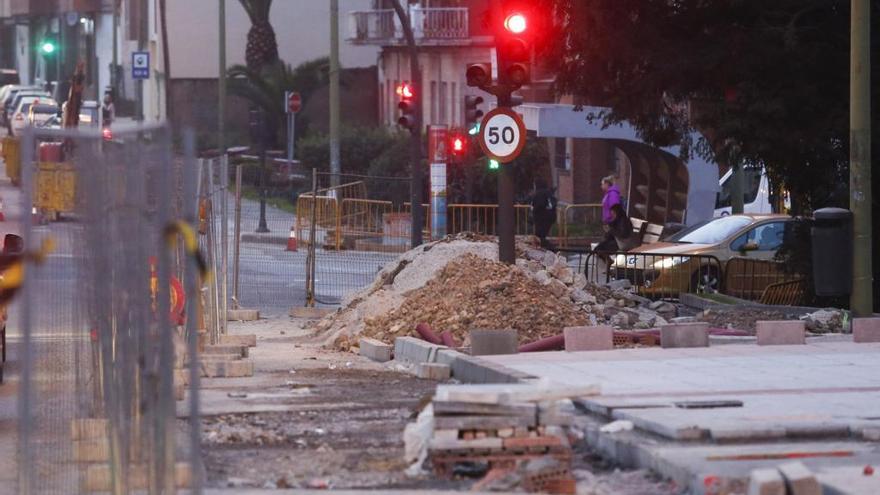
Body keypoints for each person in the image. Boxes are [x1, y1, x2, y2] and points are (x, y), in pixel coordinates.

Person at [530, 178, 557, 249]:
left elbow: (539, 205)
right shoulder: (547, 192)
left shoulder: (540, 193)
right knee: (540, 235)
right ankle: (545, 247)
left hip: (543, 217)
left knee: (540, 235)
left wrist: (534, 210)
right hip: (549, 216)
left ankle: (550, 248)